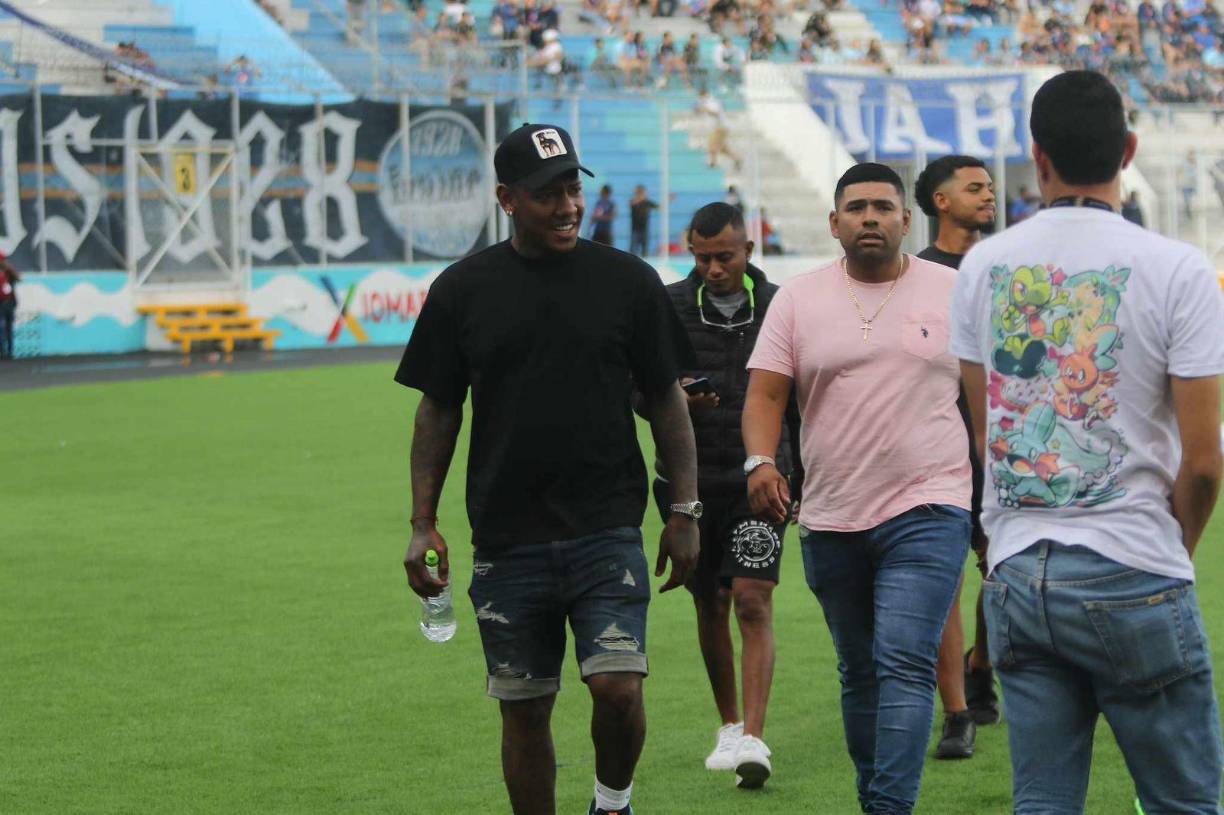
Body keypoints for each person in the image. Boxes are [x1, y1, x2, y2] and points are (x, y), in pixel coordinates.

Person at [398, 123, 701, 815]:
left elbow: (665, 398)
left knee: (619, 688)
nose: (567, 206)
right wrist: (423, 522)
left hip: (607, 529)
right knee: (525, 711)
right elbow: (438, 410)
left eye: (572, 188)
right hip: (508, 538)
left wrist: (684, 510)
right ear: (506, 198)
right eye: (546, 194)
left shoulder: (628, 281)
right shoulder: (461, 290)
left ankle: (612, 801)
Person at [951, 69, 1224, 815]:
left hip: (1018, 571)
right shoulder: (1179, 268)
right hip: (1133, 562)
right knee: (1186, 803)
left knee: (1043, 802)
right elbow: (1203, 461)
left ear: (1036, 157)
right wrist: (1173, 547)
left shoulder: (982, 266)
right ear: (1129, 150)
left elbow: (988, 432)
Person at [742, 162, 972, 815]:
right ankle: (877, 798)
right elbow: (765, 392)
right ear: (835, 222)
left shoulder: (953, 291)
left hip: (930, 506)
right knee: (861, 670)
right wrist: (761, 459)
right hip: (833, 514)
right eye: (857, 207)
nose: (870, 217)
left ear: (907, 219)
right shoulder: (798, 298)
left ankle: (887, 808)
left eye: (882, 206)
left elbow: (982, 398)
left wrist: (994, 494)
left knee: (903, 661)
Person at [647, 202, 800, 789]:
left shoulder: (784, 306)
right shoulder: (668, 306)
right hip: (687, 487)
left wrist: (800, 473)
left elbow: (804, 396)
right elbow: (640, 389)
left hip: (762, 481)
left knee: (753, 600)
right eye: (702, 257)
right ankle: (729, 726)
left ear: (749, 251)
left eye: (724, 257)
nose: (712, 268)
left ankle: (755, 740)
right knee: (708, 601)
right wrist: (673, 399)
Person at [913, 154, 1001, 762]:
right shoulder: (915, 276)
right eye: (975, 188)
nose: (988, 195)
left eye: (990, 186)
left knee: (1004, 574)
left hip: (1007, 442)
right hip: (940, 442)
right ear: (941, 201)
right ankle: (958, 712)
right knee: (946, 575)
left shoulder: (1007, 268)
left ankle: (981, 662)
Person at [696, 90, 742, 171]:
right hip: (717, 128)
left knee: (711, 144)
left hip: (720, 127)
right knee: (723, 149)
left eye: (701, 97)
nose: (701, 99)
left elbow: (716, 113)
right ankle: (737, 159)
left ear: (705, 95)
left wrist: (705, 110)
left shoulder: (712, 102)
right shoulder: (707, 103)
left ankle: (712, 163)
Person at [629, 185, 659, 257]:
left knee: (645, 251)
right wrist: (640, 197)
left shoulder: (647, 202)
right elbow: (632, 203)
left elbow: (658, 207)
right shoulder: (634, 201)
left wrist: (669, 199)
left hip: (644, 229)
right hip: (635, 230)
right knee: (633, 251)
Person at [0, 254, 17, 360]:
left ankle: (10, 351)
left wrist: (9, 270)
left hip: (9, 303)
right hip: (0, 304)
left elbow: (18, 279)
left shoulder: (9, 273)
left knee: (9, 327)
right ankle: (2, 350)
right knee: (1, 327)